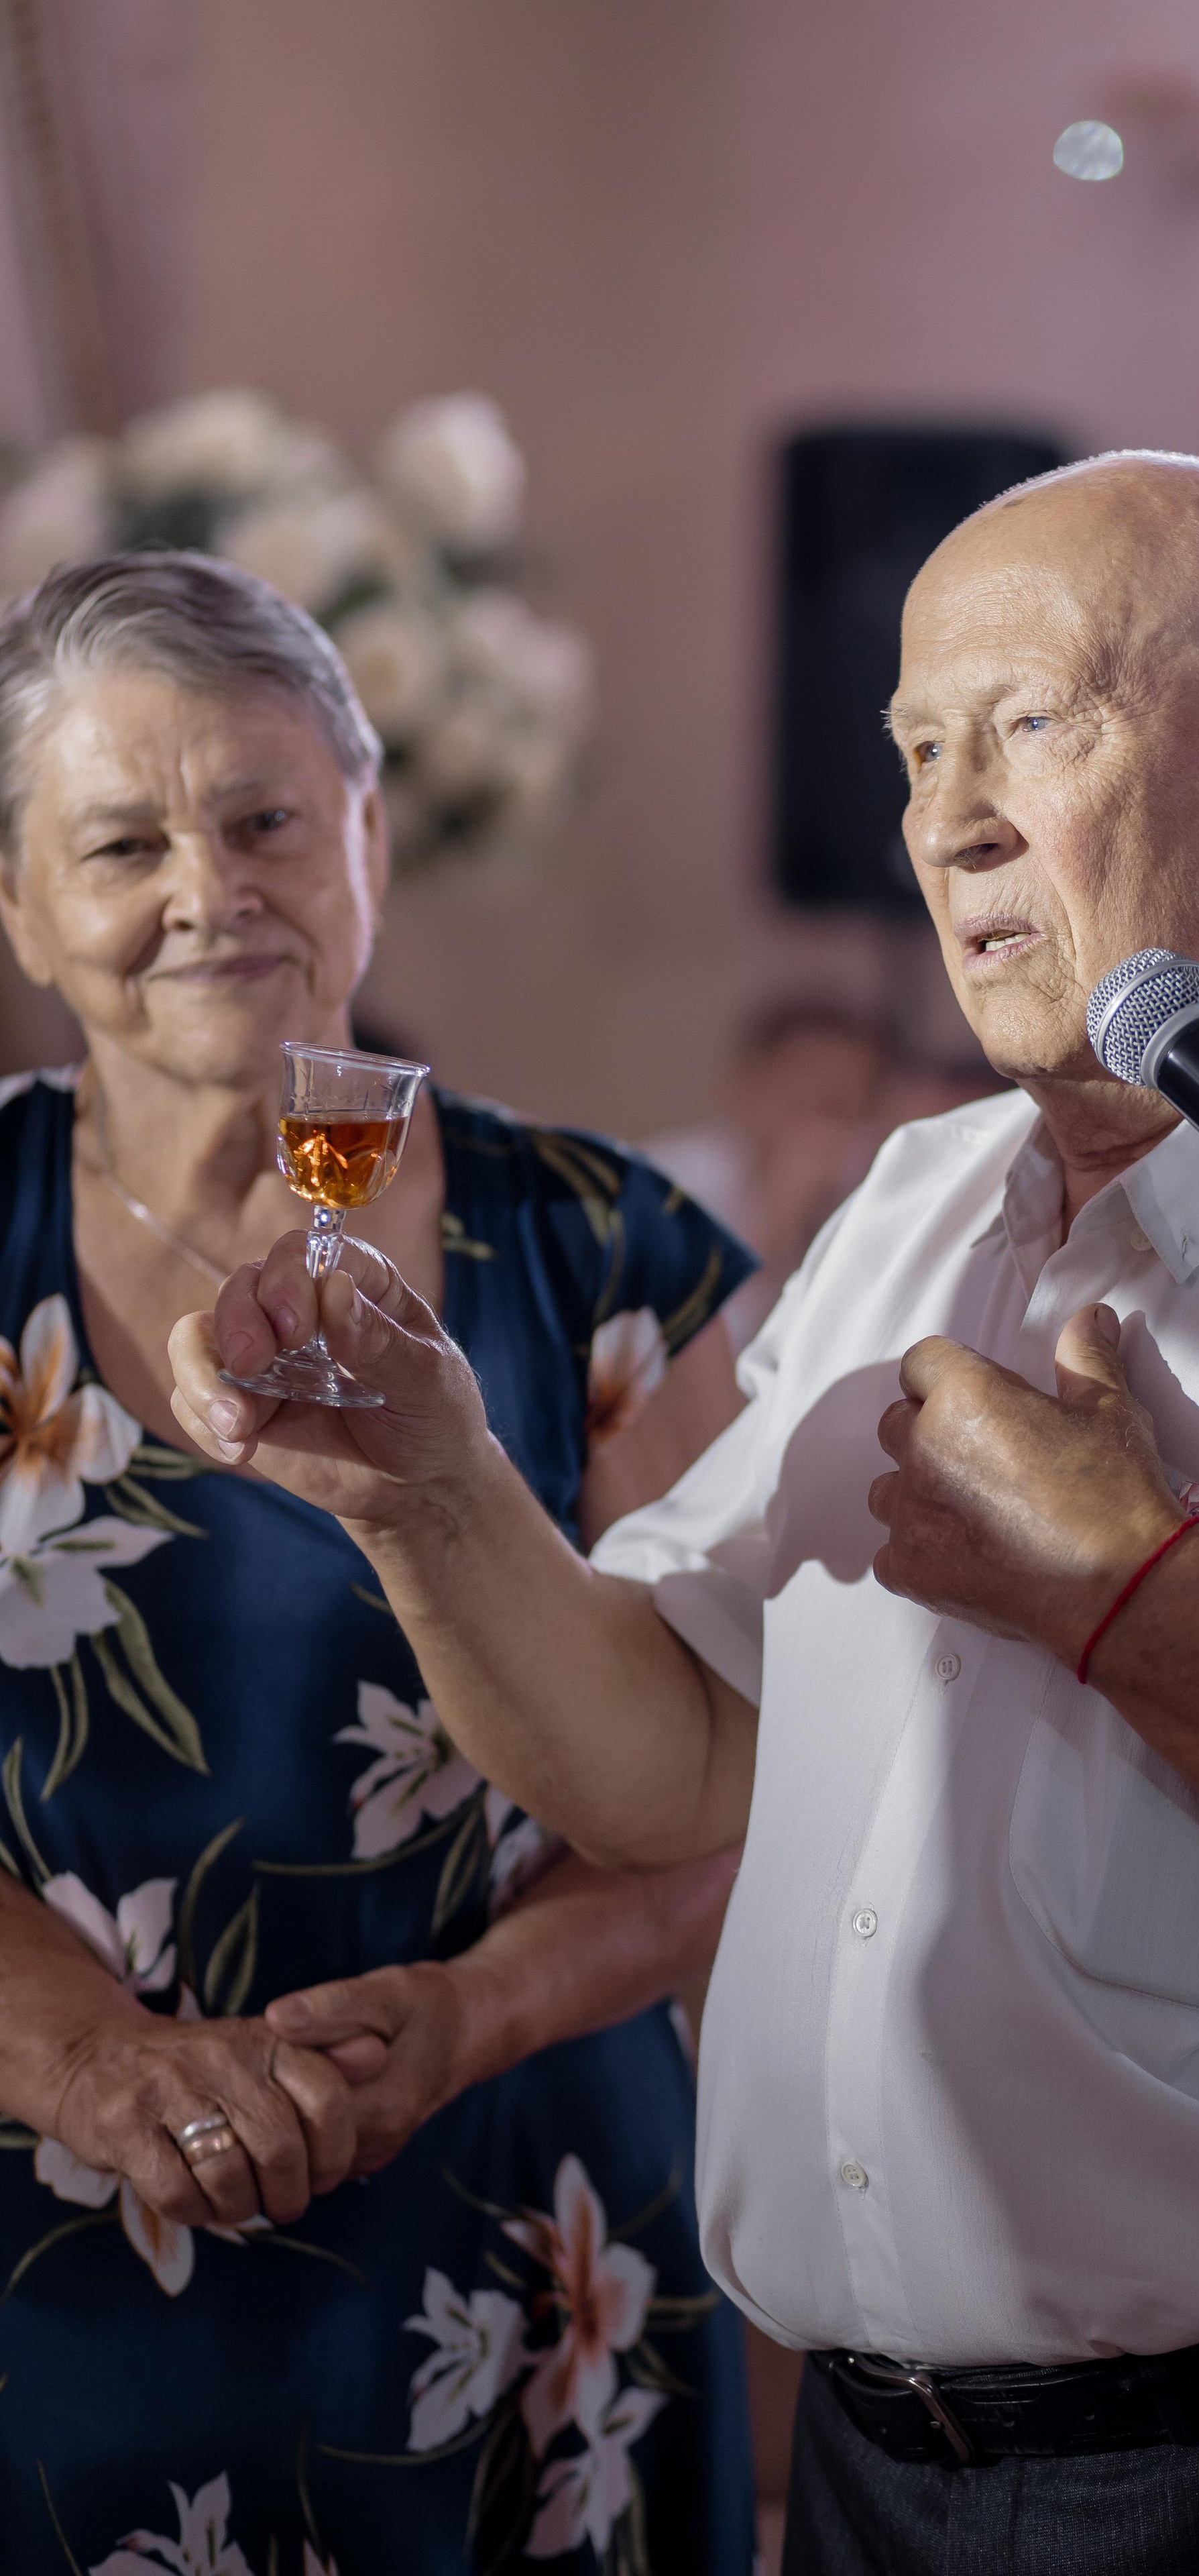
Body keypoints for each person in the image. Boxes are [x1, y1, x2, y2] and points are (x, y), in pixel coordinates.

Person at [170, 455, 1199, 2576]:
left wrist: (1139, 1596)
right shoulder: (909, 1200)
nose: (948, 818)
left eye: (1036, 722)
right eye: (914, 750)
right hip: (882, 2488)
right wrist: (423, 1482)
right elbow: (667, 1751)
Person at [0, 554, 758, 2574]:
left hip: (521, 2218)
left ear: (366, 838)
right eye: (121, 839)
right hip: (41, 2238)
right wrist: (91, 2060)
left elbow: (751, 1767)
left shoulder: (612, 1247)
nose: (208, 886)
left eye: (263, 818)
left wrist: (469, 2013)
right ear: (16, 906)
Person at [647, 999, 889, 1348]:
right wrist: (772, 1229)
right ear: (749, 1087)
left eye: (840, 1107)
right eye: (803, 1097)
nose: (819, 1129)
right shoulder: (667, 1182)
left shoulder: (877, 1187)